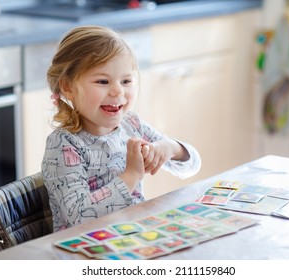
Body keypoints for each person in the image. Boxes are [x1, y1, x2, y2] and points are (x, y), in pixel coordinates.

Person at [42, 25, 201, 232]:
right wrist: (131, 175)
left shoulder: (131, 125)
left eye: (126, 80)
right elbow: (79, 216)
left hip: (132, 236)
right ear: (68, 87)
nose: (118, 90)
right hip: (85, 249)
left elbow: (192, 166)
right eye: (102, 81)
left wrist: (169, 148)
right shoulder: (65, 144)